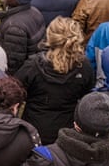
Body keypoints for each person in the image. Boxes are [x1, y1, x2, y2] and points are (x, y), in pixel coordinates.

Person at [16, 17, 94, 145]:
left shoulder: (33, 65)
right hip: (66, 132)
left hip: (34, 131)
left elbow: (15, 91)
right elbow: (87, 95)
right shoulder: (84, 66)